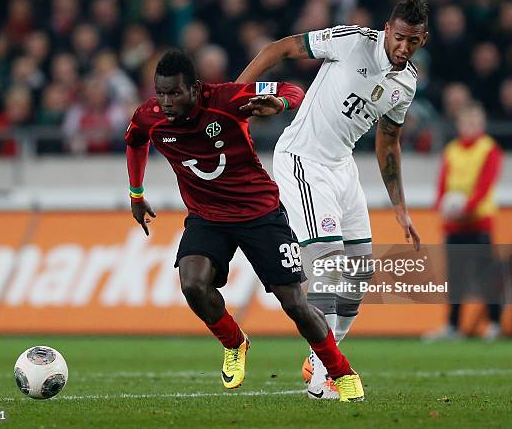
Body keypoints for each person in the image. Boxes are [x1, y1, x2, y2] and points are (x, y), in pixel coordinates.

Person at [126, 50, 365, 402]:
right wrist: (136, 193)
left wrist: (279, 105)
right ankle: (235, 342)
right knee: (192, 284)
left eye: (174, 93)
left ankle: (341, 372)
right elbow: (134, 141)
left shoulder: (228, 98)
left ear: (194, 88)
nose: (166, 102)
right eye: (160, 93)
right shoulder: (150, 116)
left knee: (295, 304)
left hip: (259, 213)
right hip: (207, 216)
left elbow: (293, 90)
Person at [237, 0, 427, 398]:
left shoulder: (406, 82)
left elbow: (388, 141)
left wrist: (400, 208)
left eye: (412, 42)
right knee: (328, 267)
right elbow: (281, 47)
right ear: (386, 29)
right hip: (303, 159)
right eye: (398, 38)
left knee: (359, 274)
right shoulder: (352, 41)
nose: (402, 48)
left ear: (422, 40)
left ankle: (321, 354)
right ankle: (326, 376)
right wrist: (234, 96)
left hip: (343, 168)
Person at [426, 102, 504, 341]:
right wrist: (441, 205)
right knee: (455, 277)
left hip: (478, 223)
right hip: (454, 226)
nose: (469, 127)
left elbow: (485, 185)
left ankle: (493, 323)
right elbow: (442, 182)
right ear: (459, 125)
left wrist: (465, 208)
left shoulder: (489, 149)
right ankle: (453, 326)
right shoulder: (452, 150)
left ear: (481, 125)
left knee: (485, 276)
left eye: (473, 123)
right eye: (465, 123)